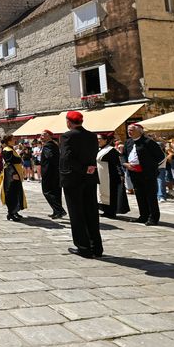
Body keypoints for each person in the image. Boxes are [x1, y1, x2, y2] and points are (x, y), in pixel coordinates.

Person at [59, 110, 103, 258]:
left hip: (73, 179)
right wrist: (89, 167)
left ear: (68, 122)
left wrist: (82, 168)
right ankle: (96, 246)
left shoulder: (67, 136)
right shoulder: (92, 135)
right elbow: (93, 154)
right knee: (91, 211)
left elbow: (67, 158)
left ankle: (83, 247)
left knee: (76, 213)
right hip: (90, 177)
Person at [124, 124, 165, 225]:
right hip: (134, 173)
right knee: (139, 195)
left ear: (140, 131)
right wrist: (126, 164)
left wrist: (149, 166)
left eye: (132, 130)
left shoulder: (148, 142)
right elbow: (124, 155)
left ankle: (153, 218)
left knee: (150, 196)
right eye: (128, 130)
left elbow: (160, 156)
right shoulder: (128, 142)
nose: (129, 132)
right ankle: (143, 216)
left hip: (147, 173)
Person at [0, 134, 26, 221]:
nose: (15, 140)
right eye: (13, 139)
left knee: (17, 192)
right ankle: (11, 213)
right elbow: (8, 163)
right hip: (11, 174)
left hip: (16, 173)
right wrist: (13, 174)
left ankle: (15, 211)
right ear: (8, 141)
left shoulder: (11, 149)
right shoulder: (7, 150)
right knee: (11, 192)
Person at [96, 133, 130, 218]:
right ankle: (106, 210)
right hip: (101, 176)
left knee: (111, 194)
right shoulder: (99, 149)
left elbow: (117, 163)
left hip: (110, 176)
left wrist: (120, 174)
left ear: (105, 140)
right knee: (102, 193)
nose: (98, 140)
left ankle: (111, 212)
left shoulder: (111, 150)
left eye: (100, 138)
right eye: (97, 139)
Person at [39, 130, 66, 219]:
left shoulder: (48, 146)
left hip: (49, 172)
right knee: (56, 192)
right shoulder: (54, 144)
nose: (41, 136)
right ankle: (57, 212)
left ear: (50, 136)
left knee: (47, 191)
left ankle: (59, 210)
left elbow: (50, 157)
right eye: (41, 135)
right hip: (56, 172)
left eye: (44, 135)